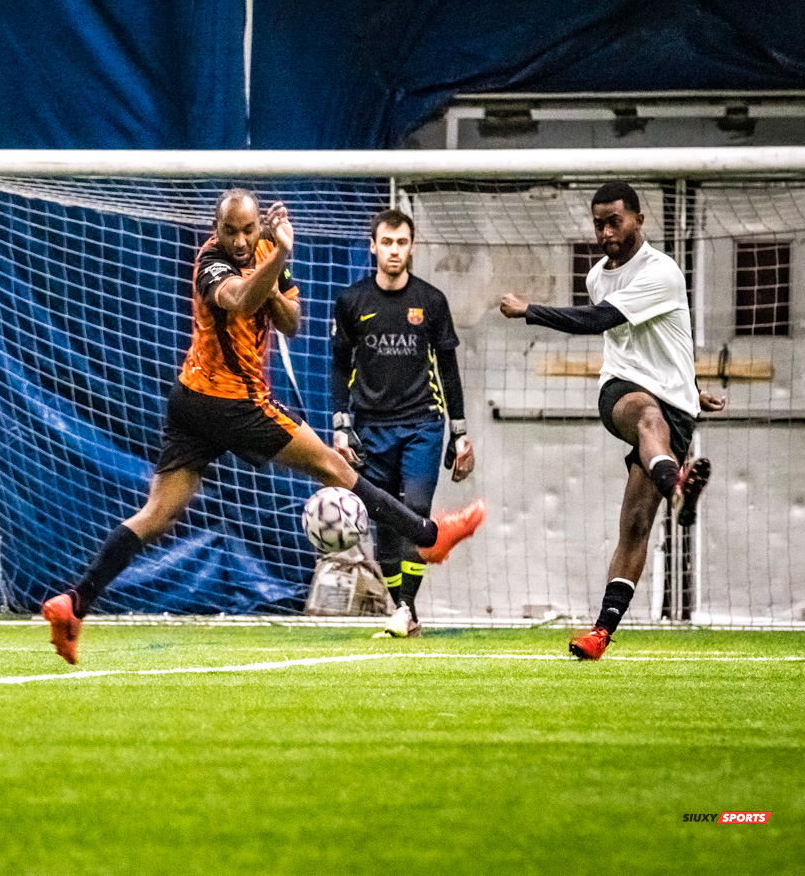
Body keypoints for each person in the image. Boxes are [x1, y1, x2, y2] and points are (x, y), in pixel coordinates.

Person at [40, 190, 486, 664]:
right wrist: (279, 255)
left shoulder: (266, 249)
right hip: (229, 401)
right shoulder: (211, 261)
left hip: (194, 401)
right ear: (217, 228)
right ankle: (428, 535)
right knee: (332, 466)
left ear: (258, 226)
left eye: (247, 230)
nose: (238, 239)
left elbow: (290, 320)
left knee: (158, 515)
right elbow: (238, 299)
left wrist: (275, 265)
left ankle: (76, 602)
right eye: (229, 230)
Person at [499, 181, 723, 660]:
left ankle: (600, 632)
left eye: (614, 221)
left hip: (675, 408)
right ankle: (678, 483)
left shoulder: (662, 272)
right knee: (643, 413)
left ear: (639, 220)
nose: (604, 232)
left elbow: (603, 321)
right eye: (598, 223)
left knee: (636, 525)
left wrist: (529, 310)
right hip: (621, 391)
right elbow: (623, 339)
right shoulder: (599, 274)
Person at [331, 210, 474, 639]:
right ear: (373, 246)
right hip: (369, 429)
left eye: (402, 242)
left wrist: (460, 432)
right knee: (383, 525)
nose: (394, 250)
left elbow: (448, 369)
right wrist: (341, 426)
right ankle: (403, 610)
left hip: (421, 425)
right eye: (387, 242)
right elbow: (339, 368)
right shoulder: (351, 301)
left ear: (412, 247)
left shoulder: (431, 301)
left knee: (414, 511)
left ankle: (406, 609)